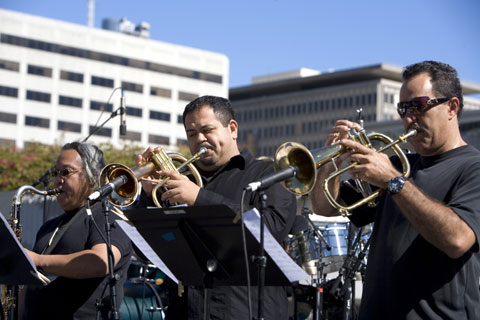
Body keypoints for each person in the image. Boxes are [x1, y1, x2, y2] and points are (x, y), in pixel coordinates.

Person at [311, 60, 480, 319]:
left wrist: (394, 181)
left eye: (418, 106)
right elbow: (325, 206)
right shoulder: (399, 165)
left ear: (452, 107)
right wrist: (332, 159)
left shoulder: (472, 167)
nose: (409, 118)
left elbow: (457, 240)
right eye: (403, 108)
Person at [136, 95, 297, 320]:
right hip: (186, 311)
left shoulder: (268, 173)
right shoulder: (179, 181)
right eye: (192, 134)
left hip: (247, 311)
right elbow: (144, 252)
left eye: (207, 130)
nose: (200, 139)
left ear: (232, 129)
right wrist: (146, 193)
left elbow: (272, 228)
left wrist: (199, 198)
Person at [22, 142, 133, 319]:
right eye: (55, 173)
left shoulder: (108, 217)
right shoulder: (48, 227)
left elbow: (101, 262)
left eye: (66, 172)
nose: (58, 180)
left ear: (91, 177)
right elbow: (32, 285)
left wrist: (38, 259)